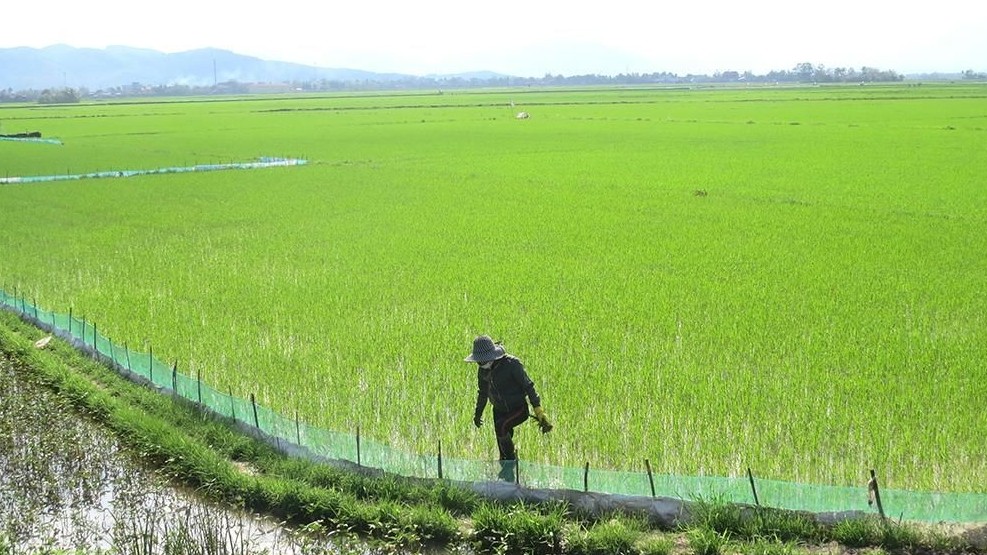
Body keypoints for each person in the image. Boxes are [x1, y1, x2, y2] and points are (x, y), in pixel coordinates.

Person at [464, 335, 553, 481]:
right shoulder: (483, 370)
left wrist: (538, 409)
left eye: (483, 361)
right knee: (502, 441)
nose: (480, 364)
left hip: (517, 409)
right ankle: (507, 475)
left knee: (501, 427)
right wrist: (478, 413)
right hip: (498, 409)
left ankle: (511, 466)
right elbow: (483, 392)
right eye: (478, 362)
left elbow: (528, 386)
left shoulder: (512, 364)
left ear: (492, 356)